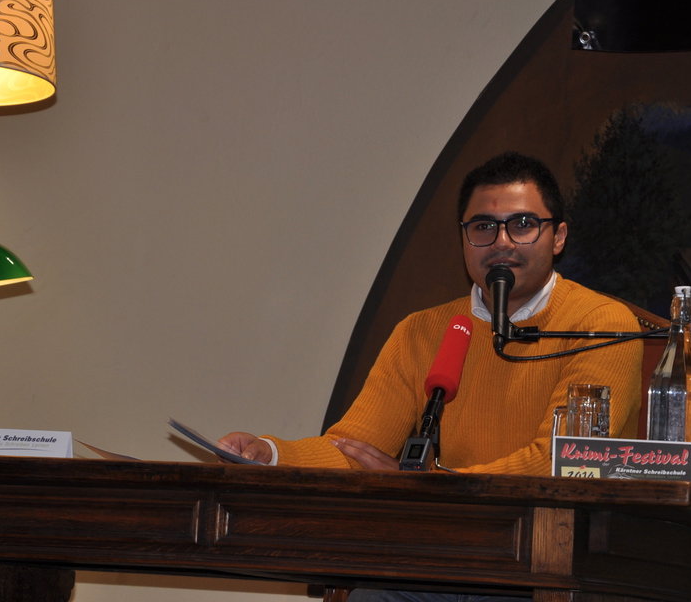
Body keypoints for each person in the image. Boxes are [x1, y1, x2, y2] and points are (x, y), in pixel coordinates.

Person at [219, 152, 643, 601]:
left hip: (552, 559)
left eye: (522, 224)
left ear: (558, 237)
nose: (501, 242)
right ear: (464, 239)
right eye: (483, 226)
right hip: (444, 555)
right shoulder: (421, 331)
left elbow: (562, 462)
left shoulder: (602, 325)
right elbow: (355, 450)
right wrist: (269, 454)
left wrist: (433, 486)